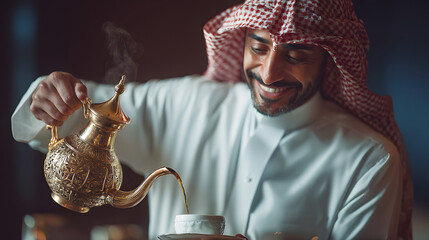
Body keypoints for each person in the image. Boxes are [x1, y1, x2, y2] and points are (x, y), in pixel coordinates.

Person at [12, 0, 413, 239]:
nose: (269, 73)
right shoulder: (187, 103)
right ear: (242, 41)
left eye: (295, 56)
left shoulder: (369, 160)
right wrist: (51, 96)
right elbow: (80, 111)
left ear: (329, 62)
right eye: (259, 46)